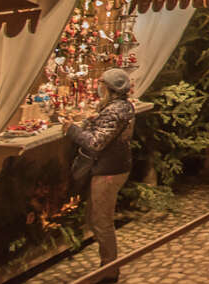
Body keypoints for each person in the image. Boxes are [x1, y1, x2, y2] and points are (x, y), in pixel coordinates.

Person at [67, 68, 135, 282]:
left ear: (110, 88)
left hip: (109, 171)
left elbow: (96, 142)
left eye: (101, 84)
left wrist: (72, 130)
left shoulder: (114, 111)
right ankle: (107, 265)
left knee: (102, 220)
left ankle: (109, 270)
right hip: (113, 168)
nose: (98, 87)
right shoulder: (120, 107)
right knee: (95, 218)